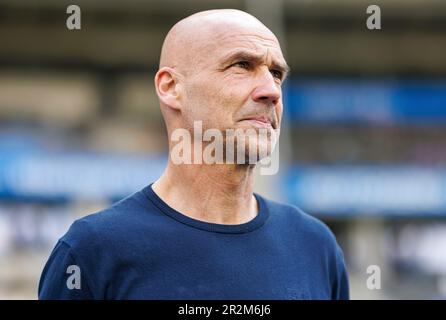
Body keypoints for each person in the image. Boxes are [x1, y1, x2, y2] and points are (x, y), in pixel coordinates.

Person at [38, 9, 349, 300]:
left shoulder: (315, 245)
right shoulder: (92, 251)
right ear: (172, 87)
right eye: (242, 65)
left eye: (277, 73)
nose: (272, 90)